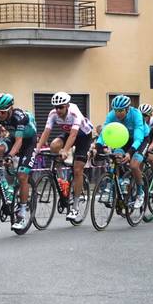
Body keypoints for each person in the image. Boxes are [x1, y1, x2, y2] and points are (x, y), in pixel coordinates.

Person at [36, 92, 94, 221]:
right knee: (54, 146)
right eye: (56, 107)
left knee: (77, 169)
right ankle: (61, 178)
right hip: (69, 134)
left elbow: (74, 135)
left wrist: (66, 150)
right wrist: (37, 149)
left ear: (67, 105)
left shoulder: (74, 113)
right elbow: (46, 132)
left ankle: (75, 206)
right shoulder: (52, 114)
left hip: (83, 136)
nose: (58, 110)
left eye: (61, 107)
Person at [0, 93, 37, 230]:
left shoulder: (19, 117)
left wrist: (9, 156)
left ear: (10, 109)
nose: (0, 115)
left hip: (27, 142)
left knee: (22, 176)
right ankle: (1, 180)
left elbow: (19, 142)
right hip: (12, 137)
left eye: (2, 112)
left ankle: (21, 213)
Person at [95, 95, 147, 209]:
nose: (118, 113)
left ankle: (140, 192)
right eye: (116, 110)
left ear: (127, 109)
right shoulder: (111, 115)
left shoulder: (136, 114)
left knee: (133, 165)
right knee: (117, 157)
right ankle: (119, 184)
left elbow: (139, 138)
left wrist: (130, 153)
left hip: (140, 139)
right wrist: (98, 146)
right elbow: (105, 132)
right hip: (122, 138)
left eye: (121, 111)